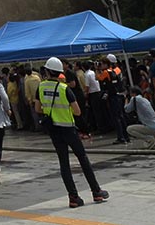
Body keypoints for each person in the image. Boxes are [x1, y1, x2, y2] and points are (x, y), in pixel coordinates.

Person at [36, 57, 108, 209]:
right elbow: (77, 111)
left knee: (64, 163)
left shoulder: (41, 87)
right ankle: (96, 191)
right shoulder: (64, 88)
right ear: (60, 73)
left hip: (54, 130)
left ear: (47, 71)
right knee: (83, 159)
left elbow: (37, 108)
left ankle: (73, 197)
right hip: (68, 128)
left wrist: (51, 110)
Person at [101, 55, 129, 143]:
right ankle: (126, 136)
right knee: (121, 116)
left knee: (116, 117)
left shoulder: (107, 72)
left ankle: (121, 137)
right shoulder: (118, 70)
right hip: (120, 94)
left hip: (114, 96)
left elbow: (99, 78)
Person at [23, 65, 44, 133]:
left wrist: (29, 100)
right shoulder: (37, 77)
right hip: (41, 97)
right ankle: (44, 126)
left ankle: (38, 127)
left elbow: (27, 92)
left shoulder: (27, 80)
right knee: (42, 112)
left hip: (33, 99)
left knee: (35, 114)